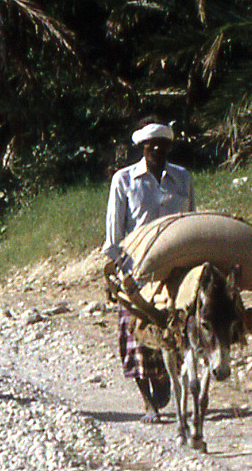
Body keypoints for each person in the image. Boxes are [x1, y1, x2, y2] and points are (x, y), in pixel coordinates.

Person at [103, 115, 196, 422]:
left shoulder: (182, 178)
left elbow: (191, 221)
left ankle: (166, 380)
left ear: (169, 145)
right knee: (135, 336)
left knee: (174, 329)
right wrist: (117, 272)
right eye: (151, 143)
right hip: (136, 270)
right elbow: (114, 233)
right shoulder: (124, 180)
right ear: (141, 145)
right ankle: (148, 403)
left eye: (162, 143)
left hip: (174, 268)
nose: (157, 148)